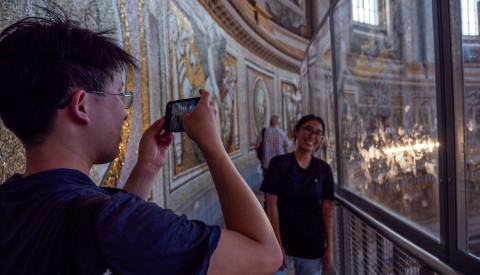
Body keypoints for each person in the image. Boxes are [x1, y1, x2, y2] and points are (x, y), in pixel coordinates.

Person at [0, 10, 282, 274]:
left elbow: (103, 239)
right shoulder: (115, 221)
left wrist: (147, 168)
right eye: (121, 96)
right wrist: (213, 146)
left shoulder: (10, 201)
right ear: (81, 106)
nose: (124, 113)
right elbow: (265, 254)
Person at [261, 115, 334, 275]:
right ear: (297, 131)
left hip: (312, 244)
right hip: (281, 241)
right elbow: (271, 205)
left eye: (318, 133)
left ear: (321, 139)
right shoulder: (279, 164)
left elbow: (327, 209)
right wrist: (277, 243)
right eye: (307, 129)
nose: (312, 136)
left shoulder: (323, 169)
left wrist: (329, 246)